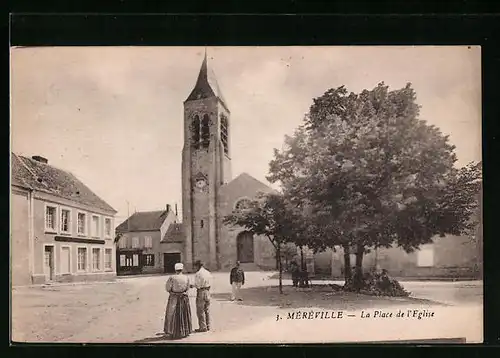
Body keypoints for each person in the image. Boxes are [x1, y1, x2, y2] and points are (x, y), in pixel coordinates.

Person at [163, 263, 192, 339]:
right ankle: (185, 331)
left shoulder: (172, 278)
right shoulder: (186, 277)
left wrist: (172, 291)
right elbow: (188, 288)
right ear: (182, 269)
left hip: (174, 297)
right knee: (184, 313)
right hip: (183, 297)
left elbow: (167, 288)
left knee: (172, 314)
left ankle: (172, 331)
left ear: (175, 269)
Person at [190, 260, 212, 332]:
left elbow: (198, 285)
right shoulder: (208, 272)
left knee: (200, 310)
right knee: (207, 309)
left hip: (201, 291)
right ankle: (208, 325)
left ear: (197, 266)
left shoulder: (198, 274)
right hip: (208, 291)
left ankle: (202, 327)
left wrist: (192, 285)